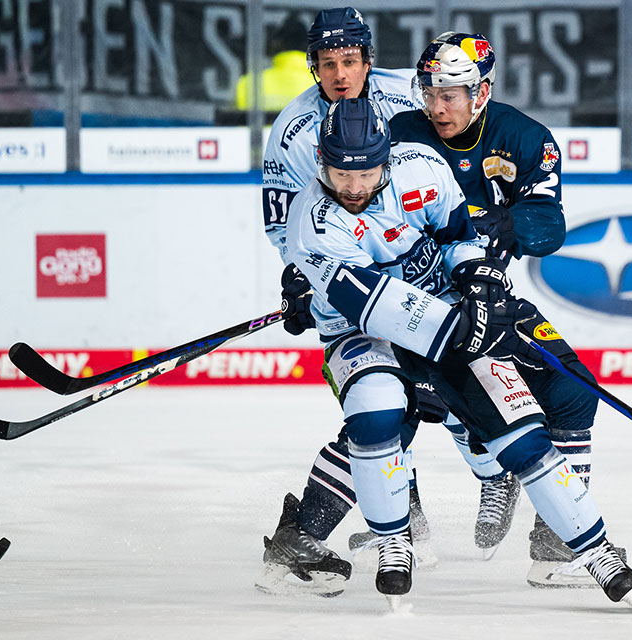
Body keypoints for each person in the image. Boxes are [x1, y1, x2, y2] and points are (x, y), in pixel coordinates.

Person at [283, 96, 632, 609]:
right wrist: (474, 334)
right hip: (364, 331)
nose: (355, 188)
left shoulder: (423, 168)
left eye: (367, 172)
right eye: (341, 173)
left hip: (447, 312)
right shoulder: (312, 223)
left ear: (387, 155)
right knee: (378, 410)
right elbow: (379, 311)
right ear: (322, 159)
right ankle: (392, 543)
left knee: (521, 433)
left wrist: (479, 279)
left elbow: (459, 239)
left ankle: (592, 549)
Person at [389, 32, 622, 588]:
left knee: (573, 389)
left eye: (453, 93)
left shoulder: (525, 138)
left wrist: (508, 223)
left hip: (487, 303)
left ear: (483, 90)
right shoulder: (400, 135)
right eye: (430, 91)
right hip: (407, 307)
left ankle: (555, 544)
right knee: (415, 409)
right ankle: (402, 528)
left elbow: (549, 225)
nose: (438, 106)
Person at [255, 7, 430, 598]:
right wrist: (305, 274)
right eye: (326, 63)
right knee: (386, 409)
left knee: (421, 404)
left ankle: (401, 498)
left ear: (367, 59)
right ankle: (314, 528)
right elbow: (286, 227)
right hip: (354, 294)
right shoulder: (293, 132)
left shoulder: (409, 93)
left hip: (425, 285)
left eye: (348, 61)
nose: (338, 74)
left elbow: (457, 137)